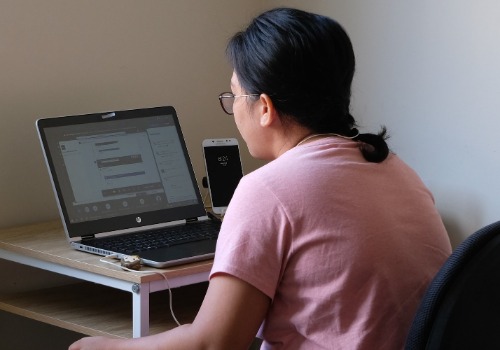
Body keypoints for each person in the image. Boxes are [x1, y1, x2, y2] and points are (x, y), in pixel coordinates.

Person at [69, 7, 451, 350]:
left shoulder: (268, 189)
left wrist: (104, 348)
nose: (233, 109)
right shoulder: (396, 169)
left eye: (234, 95)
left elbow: (213, 344)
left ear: (265, 107)